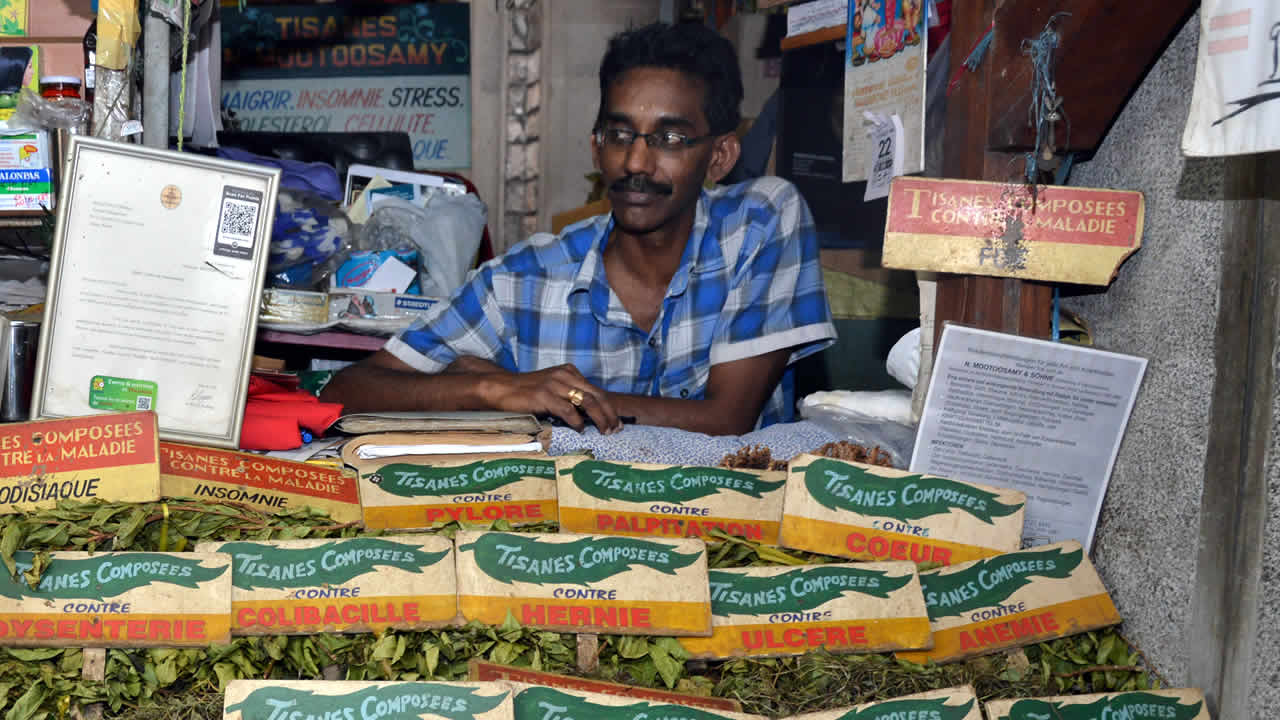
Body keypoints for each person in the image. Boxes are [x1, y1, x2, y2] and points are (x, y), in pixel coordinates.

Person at [321, 21, 835, 436]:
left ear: (719, 156)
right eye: (620, 134)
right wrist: (491, 390)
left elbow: (727, 419)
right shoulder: (523, 278)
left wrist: (558, 400)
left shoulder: (758, 222)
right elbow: (347, 390)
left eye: (670, 138)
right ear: (596, 148)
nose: (636, 162)